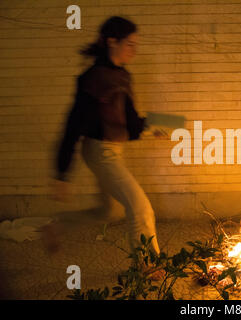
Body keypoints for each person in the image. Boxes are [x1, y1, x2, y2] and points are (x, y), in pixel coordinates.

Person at [49, 16, 165, 274]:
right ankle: (147, 266)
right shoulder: (93, 78)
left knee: (108, 211)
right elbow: (73, 125)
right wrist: (62, 174)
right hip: (100, 152)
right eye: (130, 44)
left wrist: (152, 126)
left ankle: (57, 226)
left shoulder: (122, 75)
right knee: (141, 207)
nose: (134, 50)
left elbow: (130, 120)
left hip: (113, 150)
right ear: (112, 42)